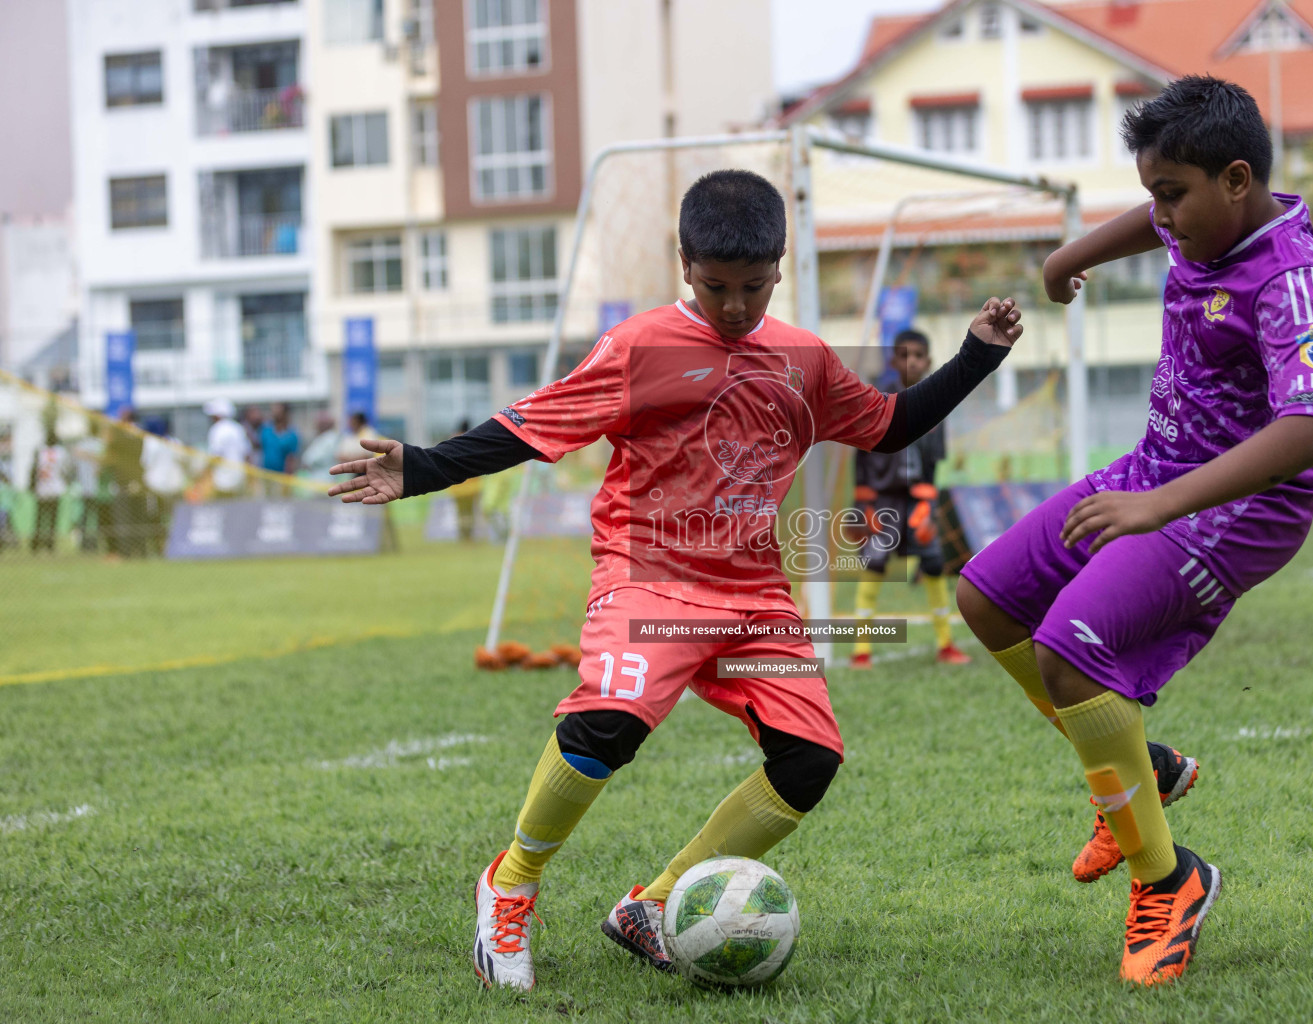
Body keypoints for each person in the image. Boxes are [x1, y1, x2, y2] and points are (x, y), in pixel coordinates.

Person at [328, 169, 1024, 991]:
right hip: (648, 575)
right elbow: (531, 428)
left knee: (809, 762)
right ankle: (511, 883)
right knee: (607, 724)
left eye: (754, 287)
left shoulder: (804, 358)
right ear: (685, 264)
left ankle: (654, 904)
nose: (735, 305)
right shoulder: (639, 347)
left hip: (756, 596)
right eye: (718, 286)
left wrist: (979, 354)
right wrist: (425, 468)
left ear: (779, 264)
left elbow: (889, 423)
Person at [955, 77, 1313, 986]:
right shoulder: (1203, 215)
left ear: (1238, 181)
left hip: (1237, 509)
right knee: (987, 596)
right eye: (1153, 193)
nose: (1161, 215)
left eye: (1173, 195)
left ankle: (1170, 879)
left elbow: (1306, 430)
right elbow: (1158, 220)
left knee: (1069, 652)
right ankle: (1144, 766)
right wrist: (1068, 258)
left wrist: (1156, 508)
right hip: (1156, 471)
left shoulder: (1291, 279)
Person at [850, 329, 970, 668]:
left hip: (919, 503)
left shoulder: (938, 406)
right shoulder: (875, 399)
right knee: (873, 566)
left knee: (933, 565)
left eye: (918, 355)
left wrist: (928, 506)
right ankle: (861, 650)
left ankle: (946, 644)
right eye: (904, 355)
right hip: (882, 502)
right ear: (893, 361)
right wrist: (863, 504)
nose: (911, 361)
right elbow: (862, 456)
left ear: (928, 361)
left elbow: (933, 465)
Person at [102, 408, 147, 556]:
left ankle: (126, 551)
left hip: (124, 481)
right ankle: (140, 550)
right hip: (138, 481)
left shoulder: (120, 435)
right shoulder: (140, 434)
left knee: (124, 519)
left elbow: (110, 453)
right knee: (138, 519)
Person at [141, 416, 188, 553]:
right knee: (172, 517)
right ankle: (172, 546)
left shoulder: (150, 442)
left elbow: (145, 463)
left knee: (157, 518)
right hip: (174, 486)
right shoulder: (175, 442)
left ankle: (162, 547)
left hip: (155, 486)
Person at [29, 428, 72, 553]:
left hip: (42, 488)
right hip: (54, 489)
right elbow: (66, 470)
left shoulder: (40, 451)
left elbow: (33, 469)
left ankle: (37, 544)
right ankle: (49, 544)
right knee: (51, 518)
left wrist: (31, 485)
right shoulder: (61, 452)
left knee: (40, 518)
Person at [204, 398, 251, 498]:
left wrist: (205, 474)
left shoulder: (217, 429)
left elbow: (215, 455)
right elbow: (247, 454)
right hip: (239, 477)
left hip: (222, 480)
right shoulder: (238, 428)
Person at [447, 418, 482, 542]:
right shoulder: (474, 439)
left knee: (461, 513)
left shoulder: (452, 440)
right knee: (470, 513)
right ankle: (469, 536)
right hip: (473, 486)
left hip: (457, 486)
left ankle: (463, 535)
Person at [72, 419, 105, 552]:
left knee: (84, 518)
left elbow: (73, 467)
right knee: (98, 518)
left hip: (83, 487)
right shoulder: (101, 446)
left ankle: (84, 543)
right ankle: (97, 543)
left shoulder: (80, 446)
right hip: (98, 489)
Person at [259, 402, 301, 496]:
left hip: (282, 478)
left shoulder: (291, 434)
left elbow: (291, 459)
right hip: (265, 476)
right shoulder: (266, 430)